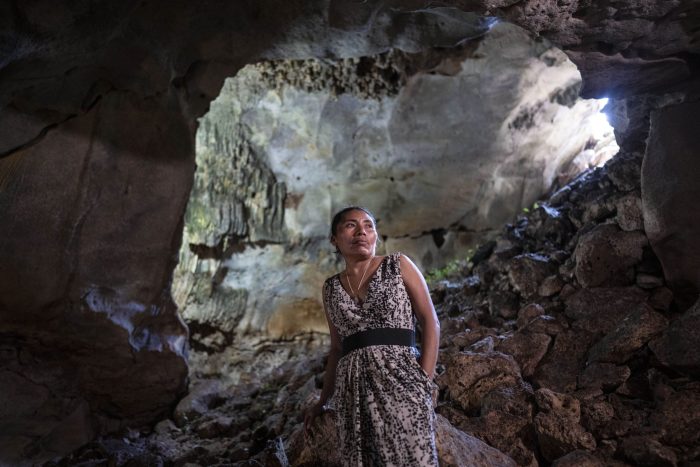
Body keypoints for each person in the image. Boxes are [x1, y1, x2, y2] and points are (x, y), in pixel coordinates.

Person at [304, 206, 440, 466]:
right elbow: (336, 349)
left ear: (376, 234)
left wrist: (424, 382)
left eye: (368, 225)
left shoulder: (398, 265)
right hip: (352, 391)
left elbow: (430, 321)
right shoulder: (331, 288)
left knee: (415, 458)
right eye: (350, 225)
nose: (361, 232)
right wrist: (323, 400)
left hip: (401, 380)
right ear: (334, 238)